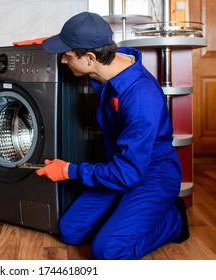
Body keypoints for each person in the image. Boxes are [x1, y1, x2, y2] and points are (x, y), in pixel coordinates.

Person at [35, 12, 190, 260]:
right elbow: (94, 46)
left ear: (90, 57)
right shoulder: (113, 60)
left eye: (67, 55)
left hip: (151, 175)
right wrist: (46, 45)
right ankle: (125, 214)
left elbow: (128, 173)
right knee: (70, 231)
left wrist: (68, 171)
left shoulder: (140, 99)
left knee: (108, 252)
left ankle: (173, 220)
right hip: (121, 166)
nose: (63, 61)